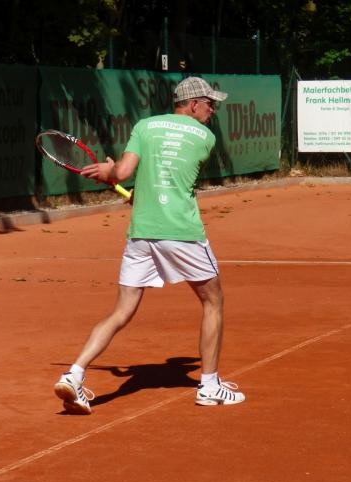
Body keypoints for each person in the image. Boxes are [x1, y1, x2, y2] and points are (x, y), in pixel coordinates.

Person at [53, 76, 246, 415]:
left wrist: (109, 172)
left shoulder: (144, 126)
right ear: (193, 104)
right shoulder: (206, 138)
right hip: (181, 231)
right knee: (213, 301)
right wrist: (127, 182)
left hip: (142, 232)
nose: (213, 110)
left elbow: (123, 173)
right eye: (209, 103)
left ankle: (74, 374)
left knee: (122, 311)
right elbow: (177, 182)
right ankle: (209, 386)